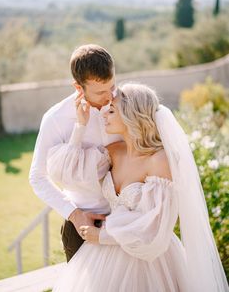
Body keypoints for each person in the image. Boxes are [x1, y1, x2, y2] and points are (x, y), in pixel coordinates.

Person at [47, 83, 228, 292]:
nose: (104, 114)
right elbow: (68, 174)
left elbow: (156, 226)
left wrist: (103, 236)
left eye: (112, 110)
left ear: (131, 115)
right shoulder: (113, 151)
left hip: (150, 261)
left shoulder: (159, 160)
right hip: (104, 258)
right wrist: (80, 126)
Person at [29, 44, 120, 261]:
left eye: (112, 87)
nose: (109, 97)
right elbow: (37, 178)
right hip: (82, 229)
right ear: (78, 88)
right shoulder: (55, 119)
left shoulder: (125, 102)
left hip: (125, 222)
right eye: (100, 92)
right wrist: (75, 215)